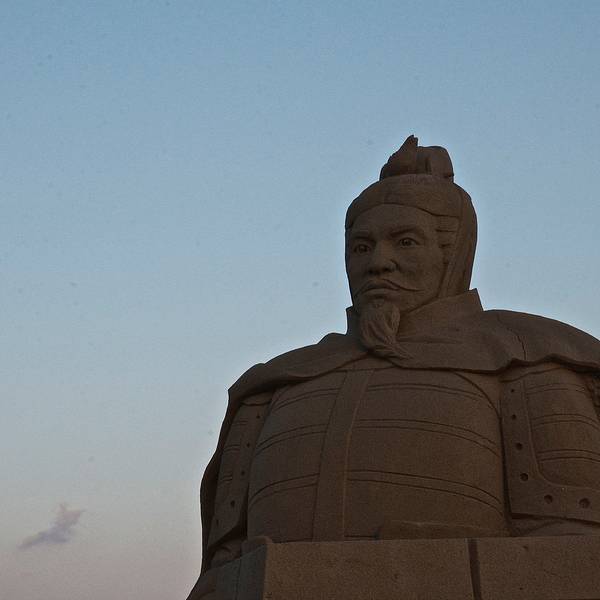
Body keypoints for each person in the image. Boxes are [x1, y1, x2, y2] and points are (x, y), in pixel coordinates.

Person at [188, 136, 600, 597]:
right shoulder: (274, 388)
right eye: (361, 247)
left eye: (405, 242)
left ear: (452, 255)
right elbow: (221, 570)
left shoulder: (528, 364)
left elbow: (570, 556)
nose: (378, 263)